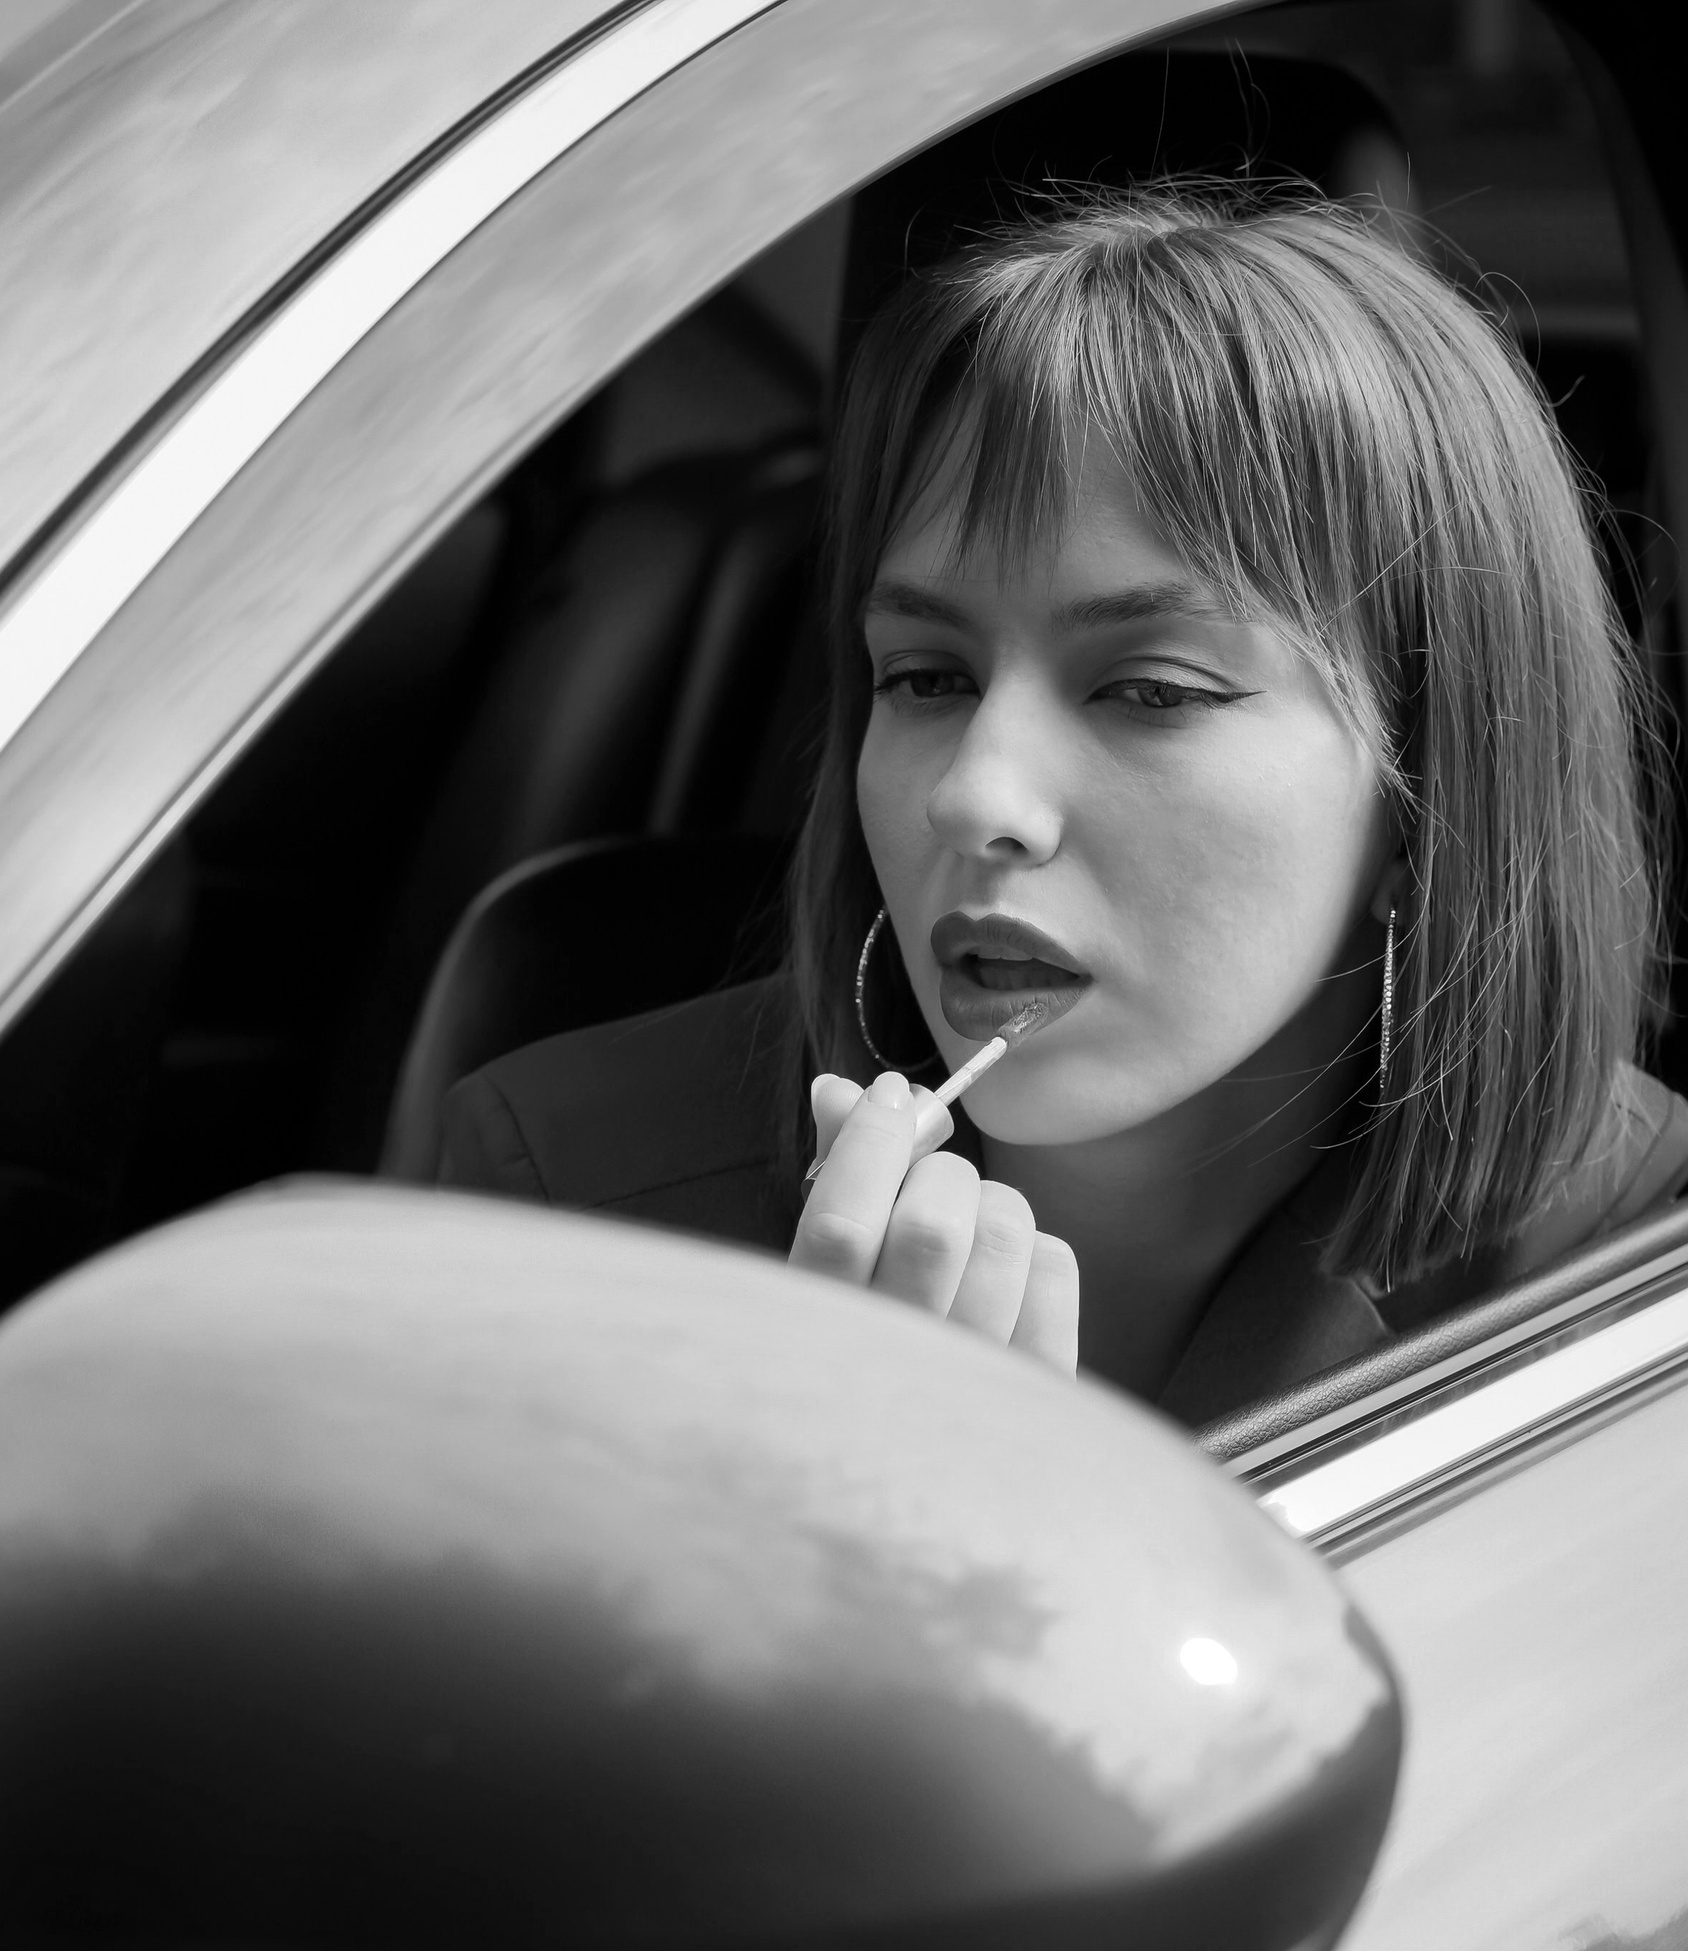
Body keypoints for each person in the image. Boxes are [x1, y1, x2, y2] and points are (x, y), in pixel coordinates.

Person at [436, 190, 1688, 1421]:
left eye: (1150, 690)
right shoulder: (561, 1204)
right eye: (926, 677)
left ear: (1430, 796)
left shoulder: (1630, 1266)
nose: (972, 795)